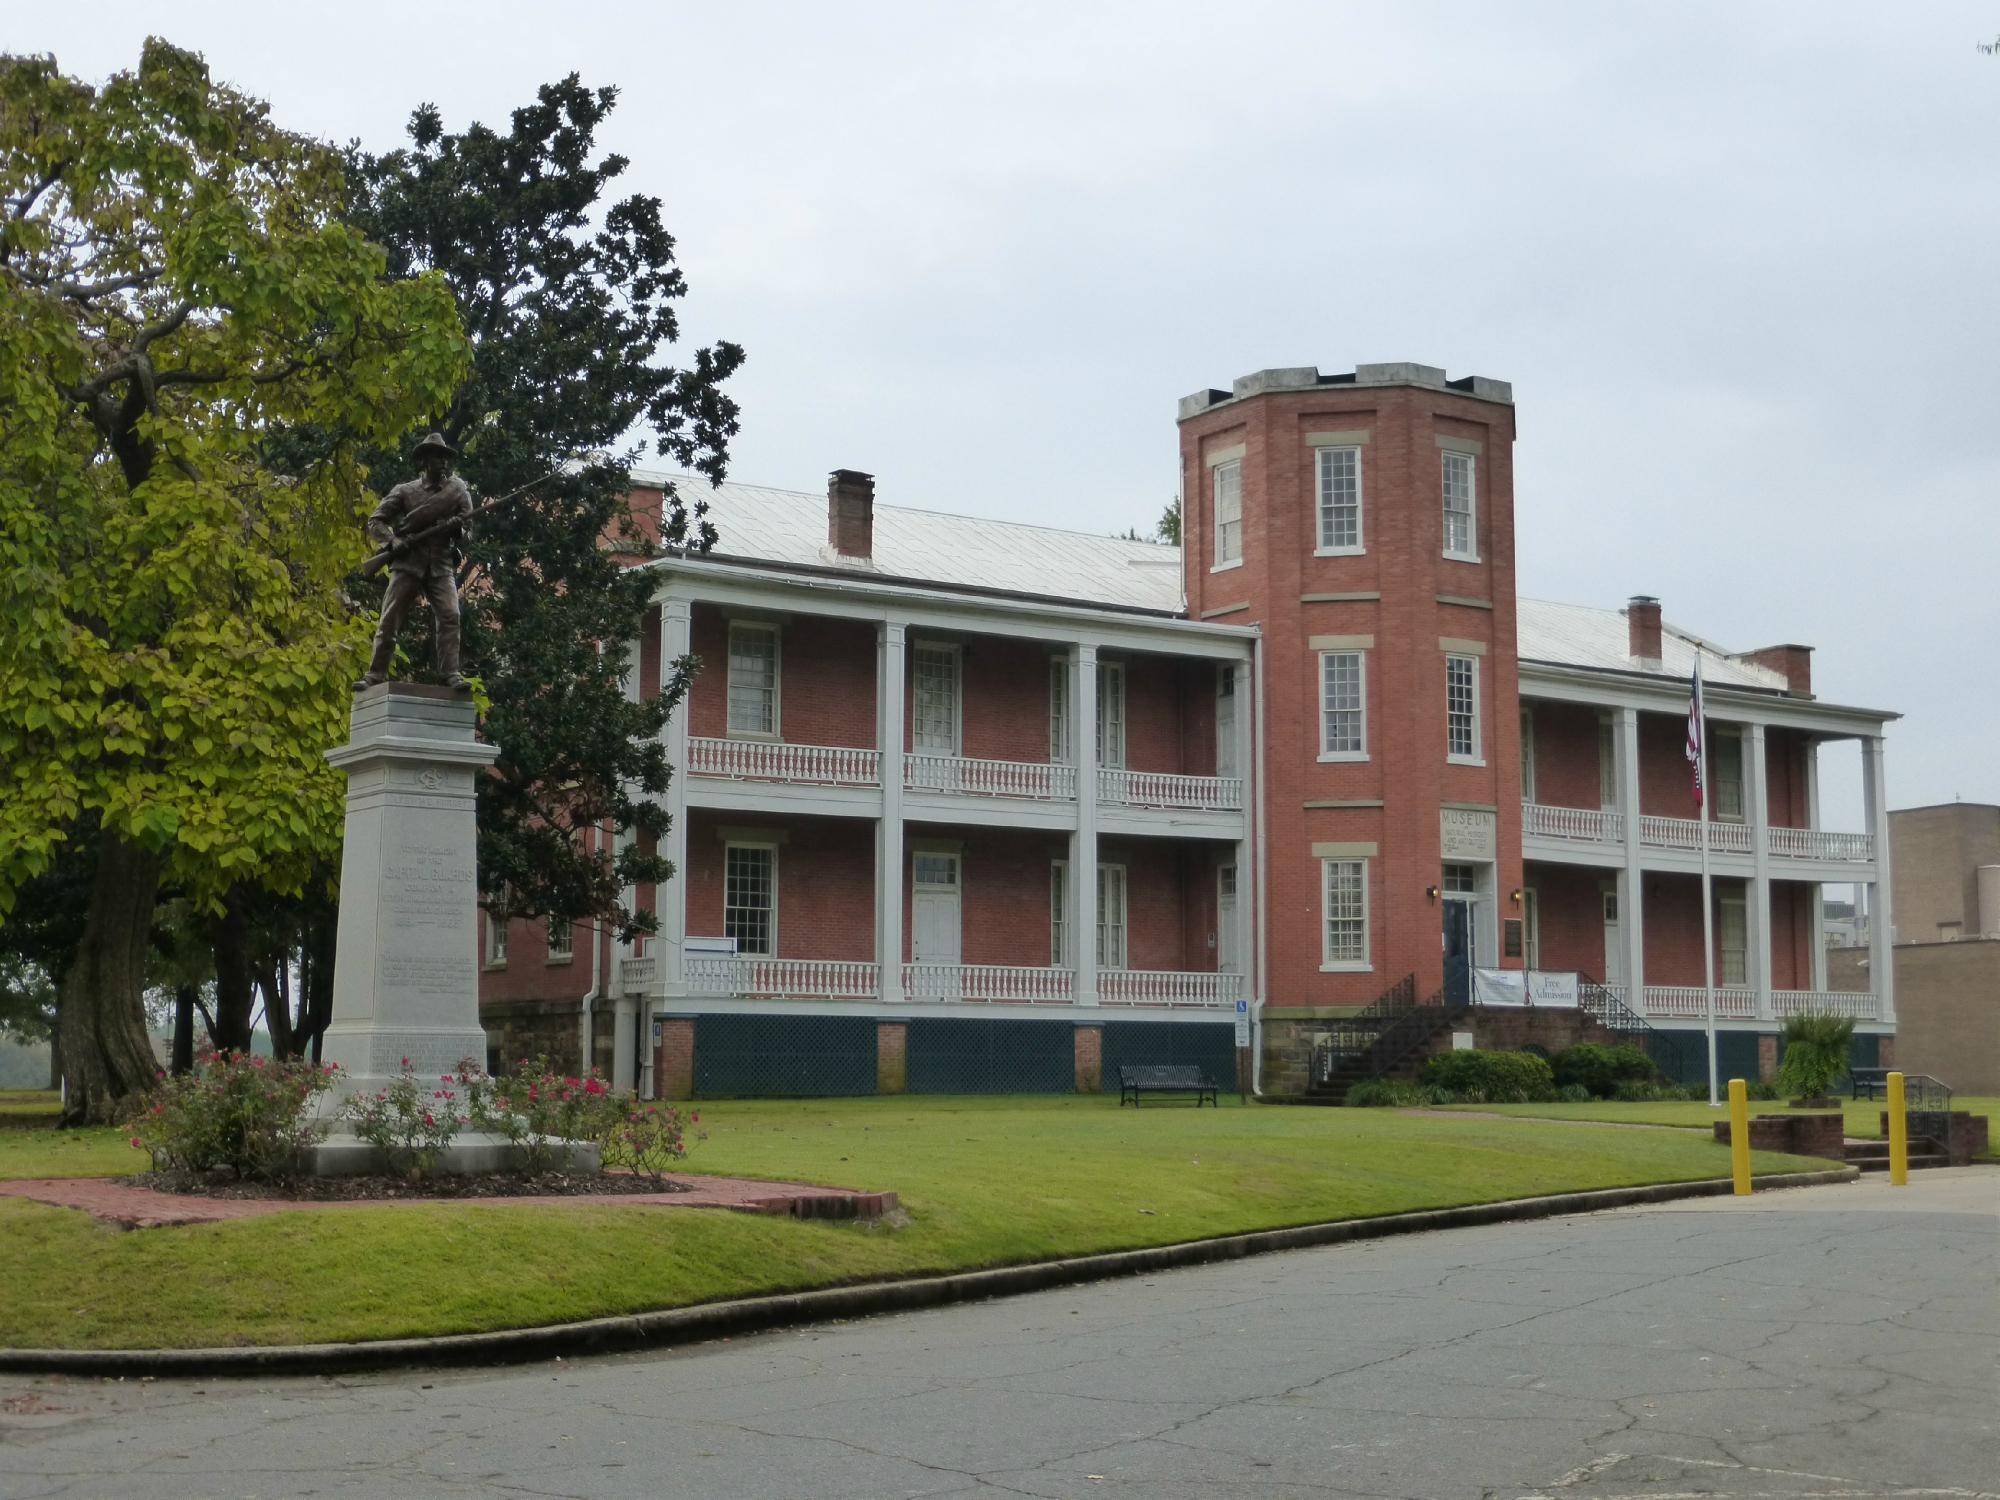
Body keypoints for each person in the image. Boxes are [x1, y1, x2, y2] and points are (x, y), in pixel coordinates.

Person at [355, 432, 473, 690]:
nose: (442, 462)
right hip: (408, 562)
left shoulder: (458, 490)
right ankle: (375, 675)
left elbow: (468, 527)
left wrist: (456, 529)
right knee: (389, 619)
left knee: (451, 615)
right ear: (424, 461)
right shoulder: (404, 491)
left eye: (445, 457)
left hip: (441, 563)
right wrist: (392, 542)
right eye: (436, 457)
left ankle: (450, 673)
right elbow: (376, 521)